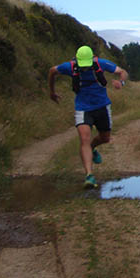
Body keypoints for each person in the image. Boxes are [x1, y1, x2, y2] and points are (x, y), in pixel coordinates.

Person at [48, 45, 128, 189]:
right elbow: (52, 71)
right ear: (77, 61)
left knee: (105, 138)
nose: (85, 68)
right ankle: (89, 176)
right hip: (83, 108)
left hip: (102, 106)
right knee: (84, 139)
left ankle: (92, 148)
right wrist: (52, 92)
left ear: (92, 59)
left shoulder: (100, 63)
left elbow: (122, 72)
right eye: (82, 65)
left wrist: (121, 82)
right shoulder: (70, 67)